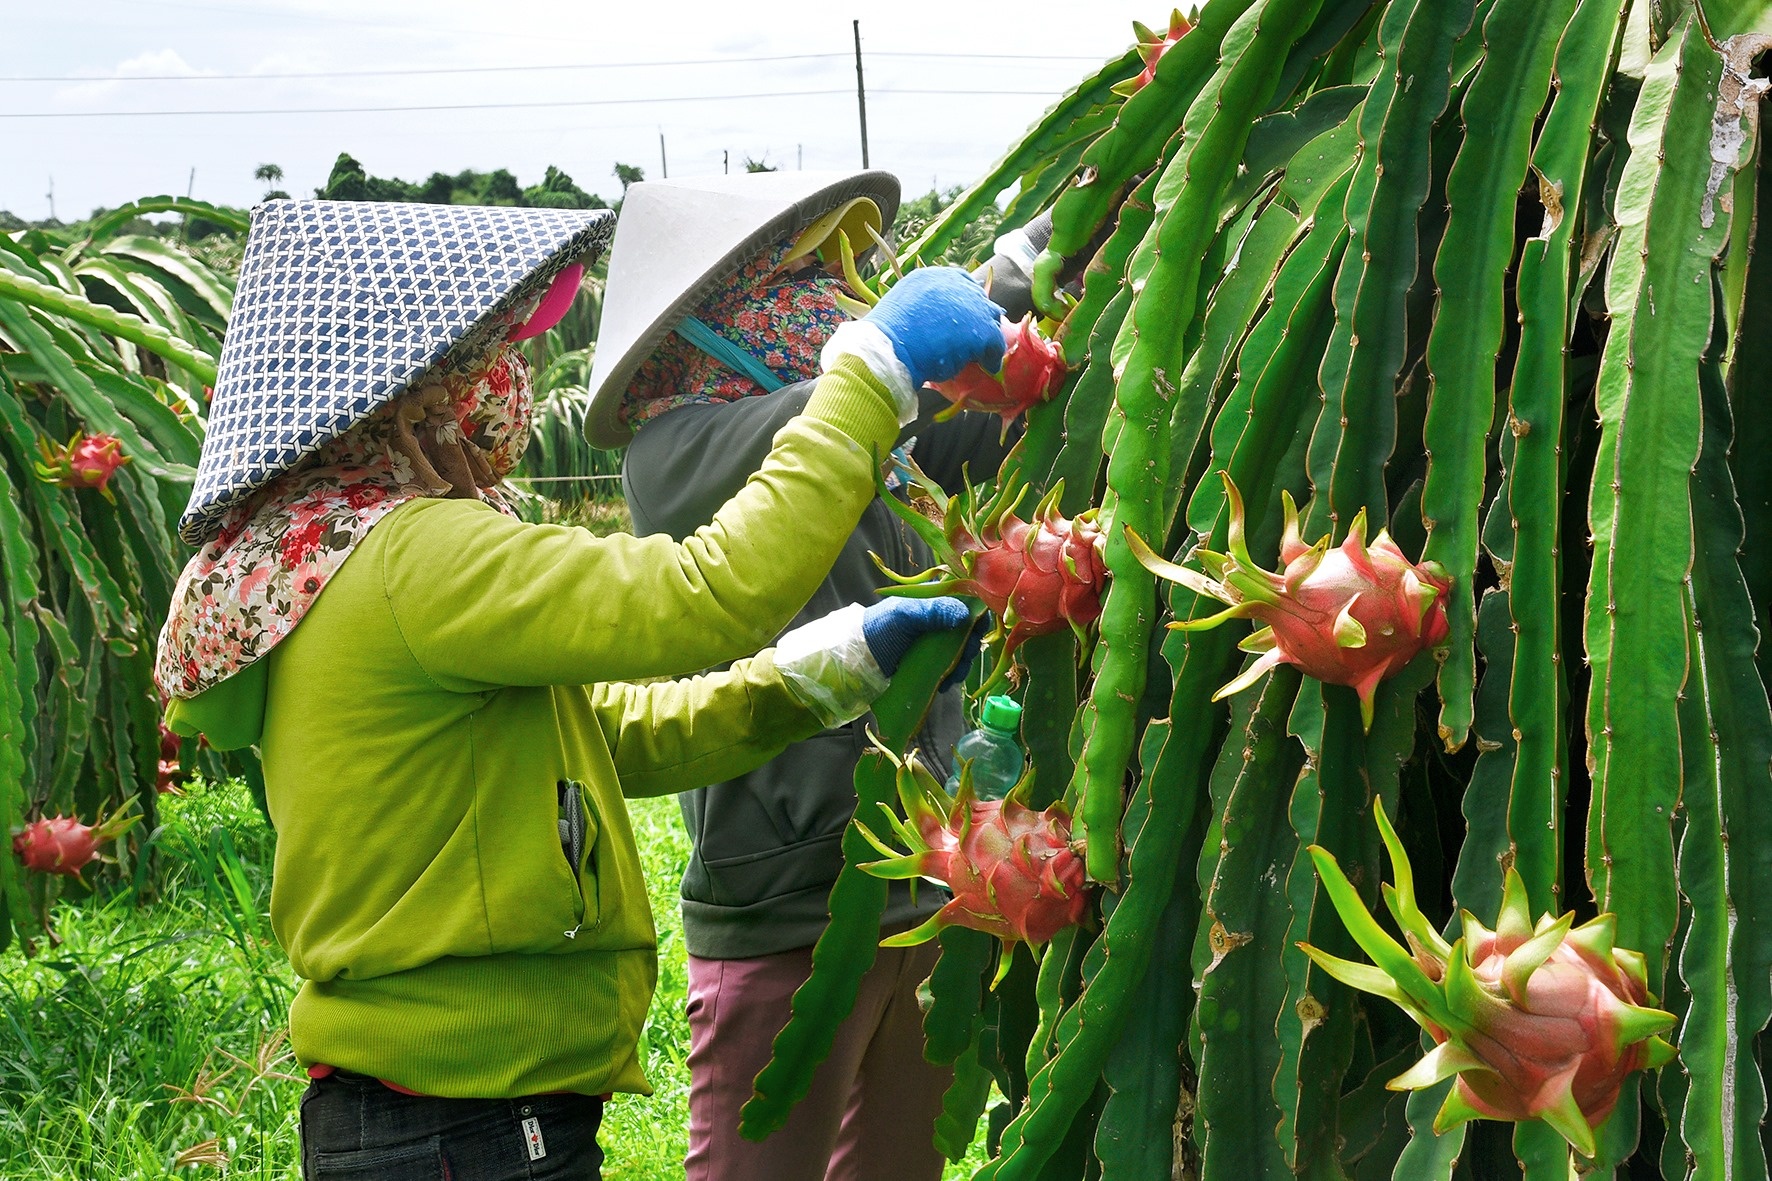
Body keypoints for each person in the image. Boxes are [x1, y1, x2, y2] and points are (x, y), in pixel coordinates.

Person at [153, 196, 1006, 1181]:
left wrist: (822, 672)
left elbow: (604, 737)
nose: (509, 379)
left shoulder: (321, 560)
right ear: (410, 387)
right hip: (470, 1127)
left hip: (449, 1113)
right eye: (486, 350)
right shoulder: (414, 557)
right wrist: (870, 374)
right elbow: (706, 596)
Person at [586, 171, 1055, 1181]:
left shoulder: (866, 426)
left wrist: (1053, 258)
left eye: (837, 277)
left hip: (924, 870)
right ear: (706, 316)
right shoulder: (676, 449)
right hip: (781, 897)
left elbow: (970, 408)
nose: (828, 300)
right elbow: (838, 408)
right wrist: (888, 353)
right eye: (795, 279)